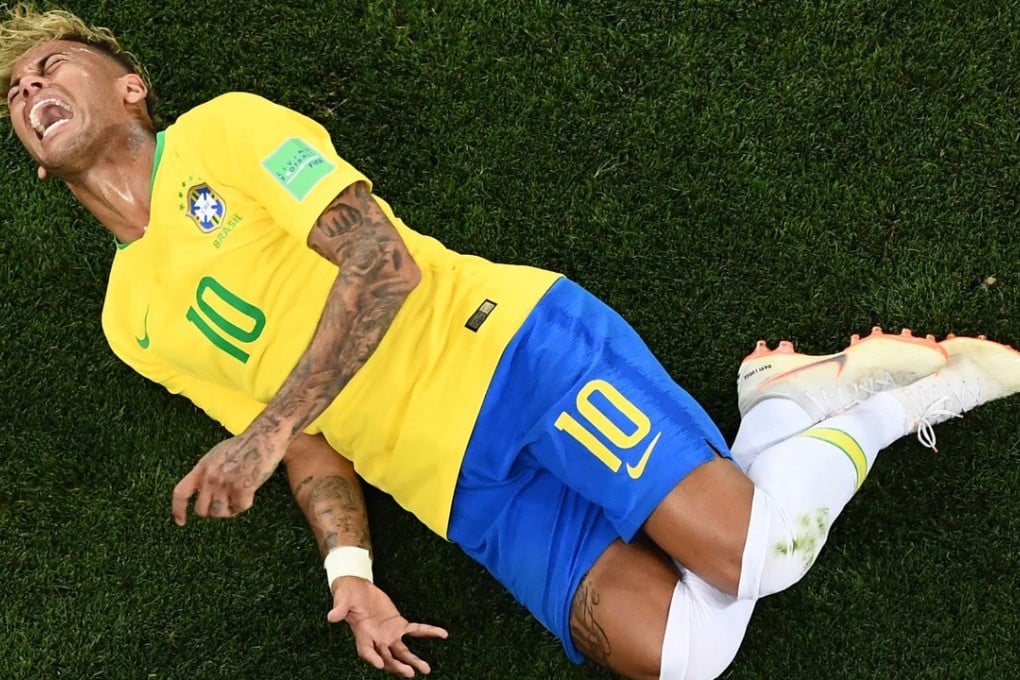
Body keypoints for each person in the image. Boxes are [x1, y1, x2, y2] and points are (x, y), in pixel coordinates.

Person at [3, 4, 1018, 679]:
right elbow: (306, 440)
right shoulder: (126, 318)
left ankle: (886, 406)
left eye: (52, 64)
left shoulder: (223, 131)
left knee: (756, 554)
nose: (30, 88)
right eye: (12, 94)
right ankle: (782, 404)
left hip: (512, 353)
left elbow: (383, 266)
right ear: (37, 167)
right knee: (683, 652)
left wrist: (263, 432)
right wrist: (347, 567)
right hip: (455, 490)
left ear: (129, 86)